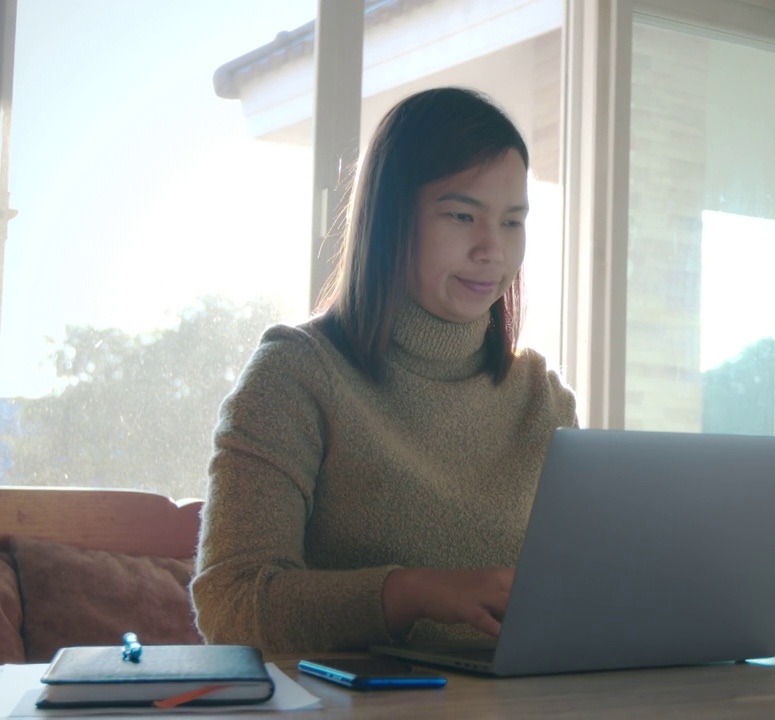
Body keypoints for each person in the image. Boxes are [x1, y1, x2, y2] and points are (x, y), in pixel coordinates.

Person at [191, 87, 577, 654]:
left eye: (513, 222)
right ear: (392, 218)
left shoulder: (542, 400)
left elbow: (577, 600)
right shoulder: (294, 376)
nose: (492, 249)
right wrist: (411, 593)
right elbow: (231, 605)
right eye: (463, 215)